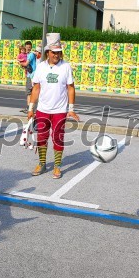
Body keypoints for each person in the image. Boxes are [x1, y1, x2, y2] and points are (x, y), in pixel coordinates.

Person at [27, 33, 79, 179]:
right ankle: (42, 163)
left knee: (58, 138)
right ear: (47, 53)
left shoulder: (66, 67)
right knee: (42, 137)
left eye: (58, 52)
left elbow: (71, 88)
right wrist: (31, 109)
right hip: (43, 109)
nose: (56, 55)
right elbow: (36, 88)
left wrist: (71, 109)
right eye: (53, 52)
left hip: (60, 110)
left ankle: (57, 166)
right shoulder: (41, 67)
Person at [19, 41, 37, 113]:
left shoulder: (31, 55)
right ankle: (30, 108)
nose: (28, 49)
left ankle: (29, 108)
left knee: (29, 92)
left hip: (31, 75)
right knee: (31, 92)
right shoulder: (29, 54)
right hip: (30, 75)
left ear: (31, 47)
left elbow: (26, 64)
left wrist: (20, 63)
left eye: (29, 47)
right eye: (27, 47)